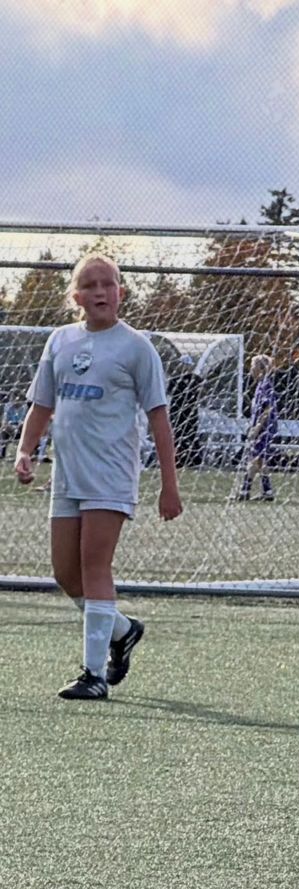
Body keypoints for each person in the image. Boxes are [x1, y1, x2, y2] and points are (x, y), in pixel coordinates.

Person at [12, 254, 183, 700]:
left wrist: (170, 484)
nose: (101, 291)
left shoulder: (137, 348)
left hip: (110, 475)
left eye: (109, 284)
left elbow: (159, 417)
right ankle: (123, 631)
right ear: (76, 297)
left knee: (94, 566)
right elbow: (42, 406)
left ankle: (93, 675)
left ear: (121, 293)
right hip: (67, 476)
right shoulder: (60, 341)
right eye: (90, 285)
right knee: (66, 574)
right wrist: (25, 450)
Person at [232, 353, 281, 502]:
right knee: (259, 461)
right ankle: (267, 492)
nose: (251, 370)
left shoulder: (265, 386)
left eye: (253, 366)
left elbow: (268, 408)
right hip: (262, 429)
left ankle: (245, 491)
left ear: (261, 369)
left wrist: (257, 427)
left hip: (264, 429)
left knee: (254, 459)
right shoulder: (260, 385)